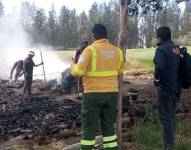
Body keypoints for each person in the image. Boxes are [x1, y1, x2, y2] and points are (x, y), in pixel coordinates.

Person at [71, 23, 124, 150]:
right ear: (106, 36)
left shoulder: (89, 50)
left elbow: (78, 71)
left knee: (89, 127)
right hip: (111, 94)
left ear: (94, 36)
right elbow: (120, 71)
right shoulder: (117, 51)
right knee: (109, 127)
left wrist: (72, 66)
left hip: (93, 94)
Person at [153, 26, 180, 150]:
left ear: (160, 37)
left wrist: (157, 81)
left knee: (165, 117)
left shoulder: (161, 50)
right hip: (176, 87)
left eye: (157, 36)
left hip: (165, 88)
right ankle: (171, 142)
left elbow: (159, 67)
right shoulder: (176, 48)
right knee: (171, 115)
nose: (156, 39)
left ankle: (168, 146)